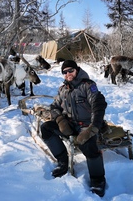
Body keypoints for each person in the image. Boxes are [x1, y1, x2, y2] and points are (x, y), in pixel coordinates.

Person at [40, 60, 107, 197]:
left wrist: (93, 128)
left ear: (77, 70)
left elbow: (98, 105)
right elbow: (54, 107)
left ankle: (98, 180)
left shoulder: (88, 86)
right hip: (70, 125)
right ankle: (63, 161)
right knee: (46, 128)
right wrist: (60, 120)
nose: (68, 74)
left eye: (70, 70)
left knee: (87, 145)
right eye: (64, 72)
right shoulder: (63, 89)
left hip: (87, 125)